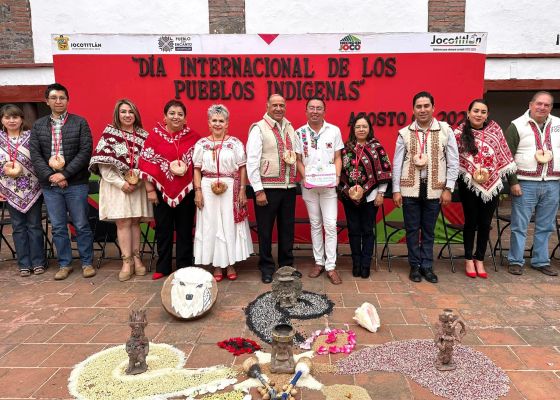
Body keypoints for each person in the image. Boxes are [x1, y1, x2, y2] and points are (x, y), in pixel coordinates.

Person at [392, 91, 459, 283]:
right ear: (413, 109)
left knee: (429, 230)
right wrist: (396, 190)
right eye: (419, 106)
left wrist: (449, 188)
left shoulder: (445, 130)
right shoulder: (404, 133)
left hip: (435, 189)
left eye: (426, 106)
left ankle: (427, 266)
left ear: (433, 108)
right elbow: (397, 163)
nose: (422, 110)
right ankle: (414, 265)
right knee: (412, 230)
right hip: (409, 188)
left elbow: (453, 161)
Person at [30, 83, 94, 280]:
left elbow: (85, 152)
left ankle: (87, 263)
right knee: (58, 227)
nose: (58, 101)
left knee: (81, 224)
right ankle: (65, 264)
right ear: (47, 101)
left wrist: (64, 174)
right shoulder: (38, 125)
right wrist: (52, 176)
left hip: (76, 183)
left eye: (62, 98)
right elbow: (35, 155)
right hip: (50, 185)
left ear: (67, 100)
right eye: (54, 98)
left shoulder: (79, 122)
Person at [89, 99, 153, 281]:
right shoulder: (110, 134)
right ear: (117, 114)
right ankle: (126, 262)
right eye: (123, 111)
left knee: (135, 221)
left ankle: (137, 259)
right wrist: (121, 183)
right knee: (123, 223)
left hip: (138, 186)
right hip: (117, 187)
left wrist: (136, 181)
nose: (127, 115)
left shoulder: (144, 136)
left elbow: (149, 162)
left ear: (136, 115)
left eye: (131, 112)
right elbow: (103, 165)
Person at [138, 99, 200, 280]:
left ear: (185, 118)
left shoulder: (193, 138)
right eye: (172, 113)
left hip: (186, 193)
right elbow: (145, 164)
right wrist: (150, 190)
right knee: (163, 230)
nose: (176, 117)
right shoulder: (154, 137)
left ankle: (184, 266)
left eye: (180, 114)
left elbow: (199, 164)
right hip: (160, 191)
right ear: (164, 117)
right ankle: (163, 266)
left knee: (185, 230)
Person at [454, 99, 515, 279]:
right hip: (468, 183)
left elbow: (503, 155)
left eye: (483, 112)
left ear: (487, 115)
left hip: (492, 183)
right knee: (470, 222)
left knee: (485, 223)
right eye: (476, 111)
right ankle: (468, 259)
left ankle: (479, 258)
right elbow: (454, 159)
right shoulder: (458, 133)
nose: (479, 114)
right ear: (468, 113)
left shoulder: (495, 131)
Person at [193, 104, 253, 281]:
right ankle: (217, 265)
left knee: (228, 223)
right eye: (214, 120)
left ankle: (230, 263)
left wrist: (242, 190)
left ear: (227, 123)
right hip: (207, 187)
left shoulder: (234, 143)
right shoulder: (201, 144)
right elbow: (196, 169)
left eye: (221, 121)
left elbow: (242, 168)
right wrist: (198, 191)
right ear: (208, 123)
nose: (217, 124)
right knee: (210, 224)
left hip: (230, 187)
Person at [505, 91, 560, 276]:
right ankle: (515, 260)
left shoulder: (558, 124)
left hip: (552, 182)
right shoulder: (517, 125)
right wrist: (513, 182)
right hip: (525, 182)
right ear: (530, 104)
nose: (542, 107)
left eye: (546, 105)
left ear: (550, 108)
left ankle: (541, 261)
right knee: (519, 225)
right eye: (539, 103)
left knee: (546, 225)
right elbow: (507, 156)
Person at [246, 94, 297, 284]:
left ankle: (286, 266)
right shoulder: (258, 128)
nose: (278, 108)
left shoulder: (290, 127)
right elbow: (252, 161)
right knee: (265, 231)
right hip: (267, 188)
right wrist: (258, 190)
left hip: (289, 187)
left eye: (281, 105)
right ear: (267, 106)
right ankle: (266, 267)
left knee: (287, 230)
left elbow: (297, 155)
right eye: (274, 105)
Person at [295, 97, 344, 284]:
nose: (315, 111)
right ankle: (319, 262)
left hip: (329, 186)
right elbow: (298, 159)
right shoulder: (299, 133)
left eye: (319, 108)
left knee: (330, 225)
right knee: (315, 224)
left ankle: (331, 266)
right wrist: (305, 177)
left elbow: (338, 157)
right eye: (311, 108)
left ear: (324, 111)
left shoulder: (334, 130)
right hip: (309, 187)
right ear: (306, 110)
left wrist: (337, 176)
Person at [338, 113, 392, 279]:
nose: (361, 129)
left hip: (371, 197)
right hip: (350, 197)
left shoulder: (377, 148)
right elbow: (341, 172)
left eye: (364, 126)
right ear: (353, 129)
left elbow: (384, 171)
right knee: (353, 230)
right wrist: (346, 191)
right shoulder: (346, 149)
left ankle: (366, 264)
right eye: (358, 127)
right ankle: (356, 263)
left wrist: (381, 193)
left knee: (367, 230)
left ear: (369, 129)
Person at [0, 104, 45, 277]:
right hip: (9, 190)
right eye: (7, 117)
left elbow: (40, 158)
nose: (12, 120)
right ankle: (24, 264)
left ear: (21, 119)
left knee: (34, 226)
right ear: (2, 120)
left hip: (33, 188)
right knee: (18, 227)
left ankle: (38, 262)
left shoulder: (31, 136)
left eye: (15, 117)